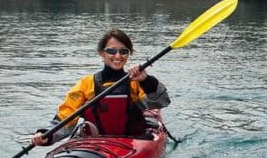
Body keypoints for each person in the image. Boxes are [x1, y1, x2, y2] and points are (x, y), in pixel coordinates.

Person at [32, 29, 171, 145]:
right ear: (101, 53)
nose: (118, 56)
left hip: (133, 142)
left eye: (123, 51)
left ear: (129, 54)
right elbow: (66, 117)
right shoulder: (87, 84)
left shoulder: (135, 82)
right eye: (111, 51)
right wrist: (47, 135)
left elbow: (161, 102)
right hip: (95, 144)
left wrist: (146, 80)